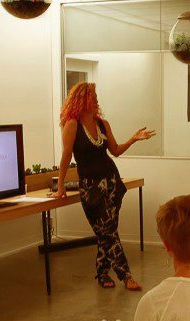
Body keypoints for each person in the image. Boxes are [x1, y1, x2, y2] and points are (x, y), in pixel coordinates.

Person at [53, 82, 156, 291]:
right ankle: (126, 276)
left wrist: (133, 139)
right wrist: (60, 186)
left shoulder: (102, 124)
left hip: (112, 182)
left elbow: (115, 150)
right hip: (91, 188)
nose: (96, 99)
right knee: (108, 232)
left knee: (107, 232)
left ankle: (102, 273)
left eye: (95, 95)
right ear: (82, 100)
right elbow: (65, 157)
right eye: (92, 96)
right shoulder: (72, 125)